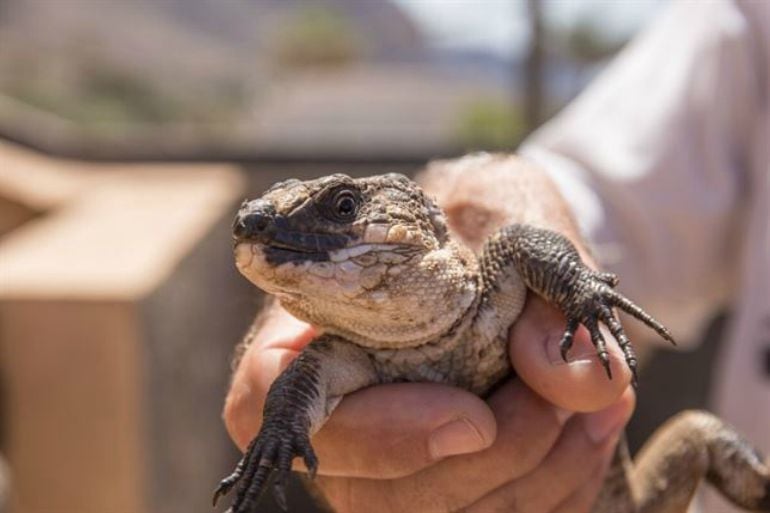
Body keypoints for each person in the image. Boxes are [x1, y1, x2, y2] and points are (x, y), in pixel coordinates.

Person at [223, 0, 768, 511]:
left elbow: (517, 244)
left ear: (412, 221)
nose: (269, 230)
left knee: (704, 439)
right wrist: (497, 187)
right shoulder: (343, 354)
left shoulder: (487, 287)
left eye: (342, 209)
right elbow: (580, 197)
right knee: (699, 435)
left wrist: (580, 285)